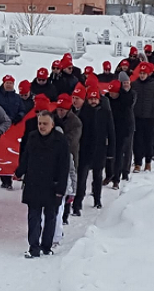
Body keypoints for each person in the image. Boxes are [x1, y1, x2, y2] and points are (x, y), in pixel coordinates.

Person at [14, 111, 70, 258]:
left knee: (50, 217)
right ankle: (33, 247)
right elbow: (26, 157)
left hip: (52, 185)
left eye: (45, 124)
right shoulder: (32, 137)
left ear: (52, 124)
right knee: (33, 217)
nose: (42, 126)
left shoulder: (61, 141)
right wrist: (19, 172)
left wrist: (61, 189)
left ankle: (46, 246)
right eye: (40, 123)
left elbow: (65, 167)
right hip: (34, 183)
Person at [73, 87, 115, 214]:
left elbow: (111, 133)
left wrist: (111, 152)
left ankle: (97, 199)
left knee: (97, 176)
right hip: (85, 149)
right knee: (82, 178)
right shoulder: (83, 112)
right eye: (90, 99)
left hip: (100, 149)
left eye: (95, 99)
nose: (93, 101)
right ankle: (77, 204)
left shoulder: (105, 112)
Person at [53, 93, 82, 225]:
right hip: (53, 157)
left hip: (69, 155)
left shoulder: (75, 122)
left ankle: (66, 214)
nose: (60, 112)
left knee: (68, 184)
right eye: (58, 109)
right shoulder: (52, 117)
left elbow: (71, 140)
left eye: (62, 110)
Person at [130, 62, 154, 173]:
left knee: (148, 140)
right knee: (137, 141)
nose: (142, 75)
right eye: (141, 73)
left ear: (148, 74)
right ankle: (138, 162)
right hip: (137, 117)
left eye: (144, 73)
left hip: (150, 117)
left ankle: (148, 162)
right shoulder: (134, 85)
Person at [0, 74, 26, 190]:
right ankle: (5, 179)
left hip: (14, 130)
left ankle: (12, 174)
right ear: (3, 83)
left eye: (11, 83)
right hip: (1, 128)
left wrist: (19, 116)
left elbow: (23, 110)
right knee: (2, 154)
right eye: (7, 83)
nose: (9, 85)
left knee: (12, 153)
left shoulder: (17, 98)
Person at [104, 79, 135, 189]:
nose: (112, 94)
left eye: (114, 92)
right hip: (109, 130)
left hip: (121, 130)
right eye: (111, 92)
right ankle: (108, 175)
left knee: (118, 155)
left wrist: (127, 131)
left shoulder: (125, 99)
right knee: (108, 155)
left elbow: (128, 118)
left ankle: (116, 178)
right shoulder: (106, 99)